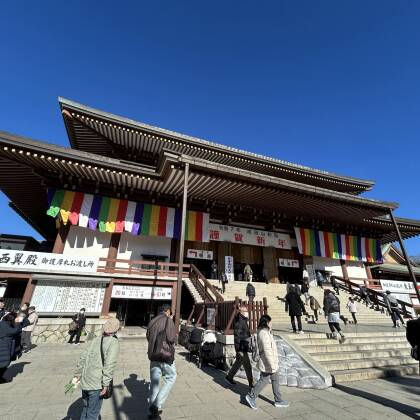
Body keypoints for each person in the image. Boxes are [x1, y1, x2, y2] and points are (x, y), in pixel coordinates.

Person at [74, 317, 120, 420]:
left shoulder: (96, 339)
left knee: (86, 409)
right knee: (93, 413)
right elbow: (109, 364)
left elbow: (83, 357)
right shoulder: (113, 342)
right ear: (116, 329)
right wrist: (105, 384)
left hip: (85, 379)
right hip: (96, 383)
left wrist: (77, 375)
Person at [245, 314, 289, 410]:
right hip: (267, 362)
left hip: (272, 361)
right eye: (270, 322)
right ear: (267, 323)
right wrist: (272, 364)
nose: (272, 324)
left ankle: (278, 400)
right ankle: (251, 396)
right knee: (264, 380)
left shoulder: (267, 332)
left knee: (275, 379)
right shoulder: (263, 334)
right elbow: (267, 350)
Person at [147, 304, 177, 420]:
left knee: (154, 382)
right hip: (164, 355)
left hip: (153, 355)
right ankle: (156, 404)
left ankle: (153, 410)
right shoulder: (168, 321)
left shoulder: (152, 321)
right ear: (168, 311)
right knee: (171, 377)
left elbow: (148, 337)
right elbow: (171, 338)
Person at [225, 304, 253, 388]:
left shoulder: (243, 319)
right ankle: (252, 383)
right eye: (246, 311)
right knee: (247, 365)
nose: (247, 312)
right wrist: (239, 349)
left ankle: (229, 377)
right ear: (241, 311)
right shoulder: (240, 321)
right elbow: (237, 336)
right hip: (241, 346)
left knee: (238, 362)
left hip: (242, 345)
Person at [0, 312, 29, 383]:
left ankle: (0, 377)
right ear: (12, 318)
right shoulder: (3, 324)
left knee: (6, 362)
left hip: (12, 347)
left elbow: (27, 322)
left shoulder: (13, 324)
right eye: (16, 317)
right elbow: (12, 331)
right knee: (3, 362)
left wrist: (23, 316)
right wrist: (18, 323)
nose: (18, 318)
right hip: (3, 346)